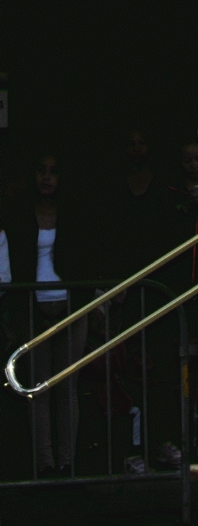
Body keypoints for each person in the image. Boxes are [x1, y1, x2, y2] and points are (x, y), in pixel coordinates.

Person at [4, 153, 91, 477]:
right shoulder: (20, 215)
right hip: (33, 304)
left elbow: (84, 254)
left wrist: (80, 301)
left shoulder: (72, 214)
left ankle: (68, 461)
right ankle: (45, 463)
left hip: (68, 303)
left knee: (67, 387)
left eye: (53, 172)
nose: (47, 177)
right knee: (37, 389)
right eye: (41, 171)